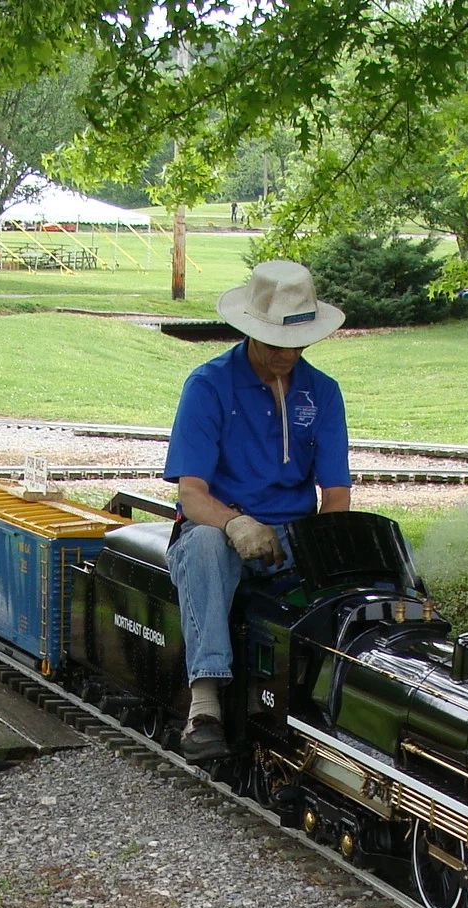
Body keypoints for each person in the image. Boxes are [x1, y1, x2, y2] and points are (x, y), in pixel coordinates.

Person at [162, 259, 351, 763]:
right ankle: (204, 708)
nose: (288, 353)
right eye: (275, 342)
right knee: (203, 544)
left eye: (298, 342)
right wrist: (236, 522)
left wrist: (329, 556)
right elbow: (192, 494)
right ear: (248, 331)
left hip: (292, 538)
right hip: (218, 533)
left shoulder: (323, 393)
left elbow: (335, 496)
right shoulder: (208, 386)